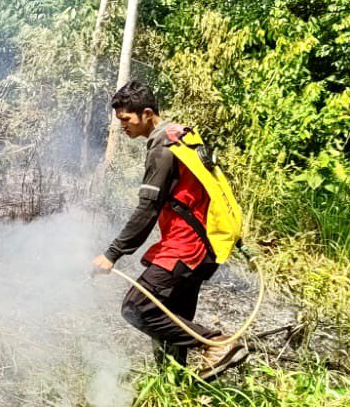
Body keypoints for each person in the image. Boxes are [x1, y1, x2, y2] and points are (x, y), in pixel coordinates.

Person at [91, 81, 247, 379]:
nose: (122, 126)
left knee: (136, 308)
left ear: (147, 113)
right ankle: (173, 390)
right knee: (173, 322)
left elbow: (147, 209)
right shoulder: (182, 137)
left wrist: (112, 254)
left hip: (184, 249)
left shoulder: (163, 149)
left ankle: (216, 344)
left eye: (127, 119)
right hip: (204, 249)